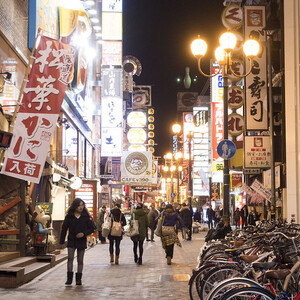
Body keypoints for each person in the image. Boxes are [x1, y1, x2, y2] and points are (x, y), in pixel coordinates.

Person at [60, 198, 96, 286]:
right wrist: (61, 242)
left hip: (81, 241)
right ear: (75, 206)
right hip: (72, 240)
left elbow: (92, 228)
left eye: (82, 205)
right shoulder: (69, 216)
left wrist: (84, 234)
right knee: (70, 258)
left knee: (80, 260)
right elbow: (64, 229)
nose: (81, 207)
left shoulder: (86, 217)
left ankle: (78, 279)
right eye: (79, 205)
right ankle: (69, 279)